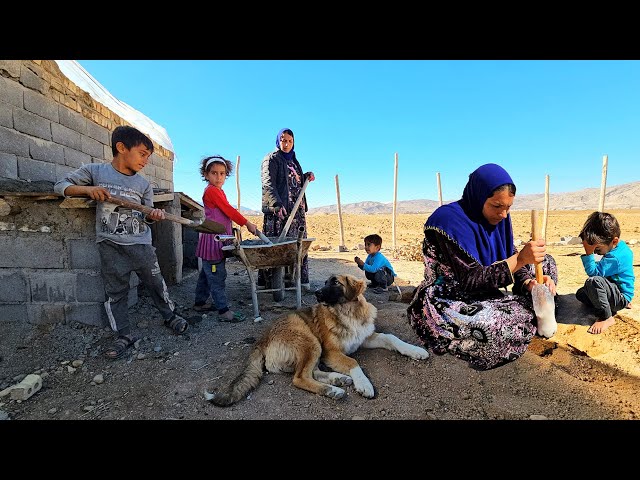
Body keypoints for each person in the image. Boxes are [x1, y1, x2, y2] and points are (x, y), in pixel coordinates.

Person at [54, 125, 189, 360]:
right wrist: (88, 190)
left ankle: (170, 316)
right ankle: (123, 334)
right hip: (110, 245)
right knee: (116, 292)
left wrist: (152, 215)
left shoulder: (143, 185)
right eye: (142, 153)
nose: (146, 160)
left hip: (141, 246)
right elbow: (60, 187)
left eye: (148, 156)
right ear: (121, 148)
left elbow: (147, 217)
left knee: (157, 284)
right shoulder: (96, 172)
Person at [407, 163, 558, 370]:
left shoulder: (500, 218)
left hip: (488, 288)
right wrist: (521, 260)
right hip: (452, 298)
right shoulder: (448, 222)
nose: (504, 214)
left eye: (508, 207)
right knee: (492, 328)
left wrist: (529, 282)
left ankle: (529, 305)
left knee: (546, 262)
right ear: (478, 197)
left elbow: (509, 256)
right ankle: (527, 312)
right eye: (497, 206)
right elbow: (471, 280)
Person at [193, 155, 258, 322]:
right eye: (214, 173)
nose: (218, 177)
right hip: (214, 240)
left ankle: (199, 303)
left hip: (215, 238)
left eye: (222, 173)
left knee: (207, 273)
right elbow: (229, 210)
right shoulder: (212, 191)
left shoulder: (217, 191)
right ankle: (223, 311)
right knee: (217, 275)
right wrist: (247, 223)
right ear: (206, 175)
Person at [259, 128, 315, 290]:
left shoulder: (293, 160)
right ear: (278, 141)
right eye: (283, 140)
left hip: (296, 212)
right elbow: (268, 183)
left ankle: (297, 280)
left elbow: (293, 182)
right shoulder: (271, 159)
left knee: (297, 245)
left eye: (290, 141)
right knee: (275, 247)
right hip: (280, 212)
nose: (286, 144)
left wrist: (305, 176)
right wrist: (276, 204)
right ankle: (269, 283)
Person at [576, 211, 635, 334]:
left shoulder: (615, 258)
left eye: (597, 249)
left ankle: (606, 317)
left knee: (593, 282)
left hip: (620, 295)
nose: (596, 253)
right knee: (581, 294)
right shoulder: (617, 247)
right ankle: (615, 303)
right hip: (614, 290)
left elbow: (594, 273)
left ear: (614, 241)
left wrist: (589, 253)